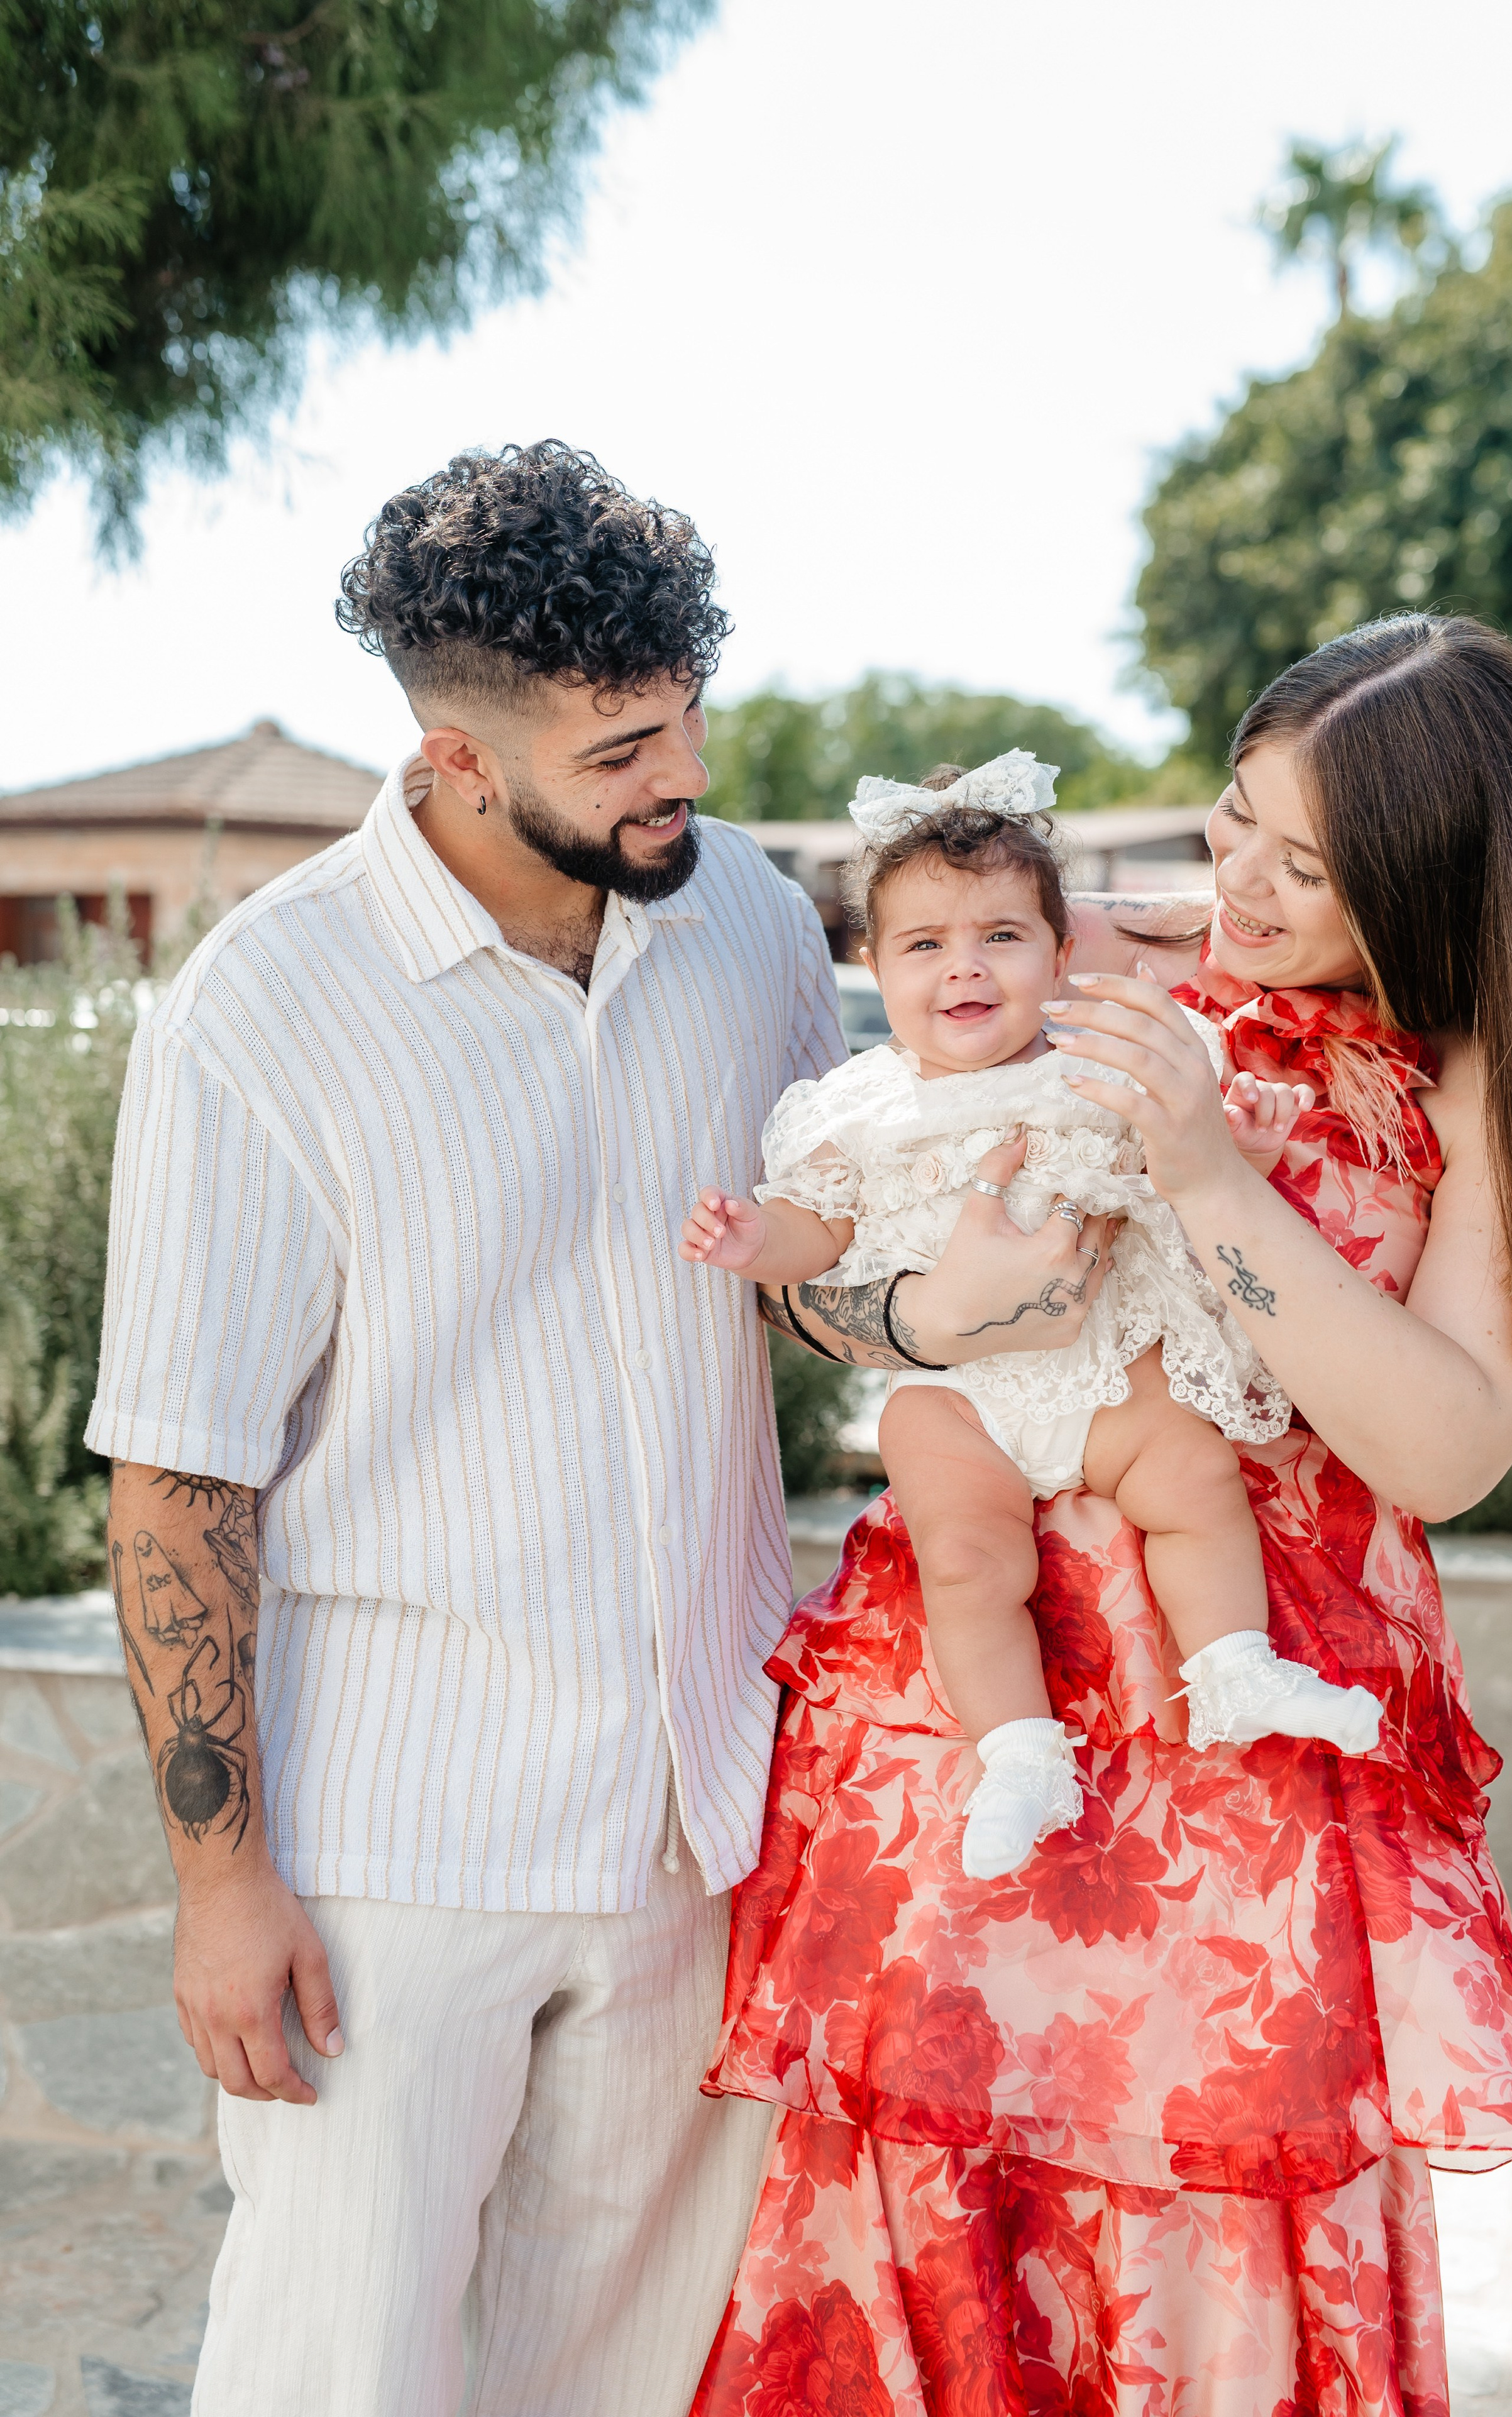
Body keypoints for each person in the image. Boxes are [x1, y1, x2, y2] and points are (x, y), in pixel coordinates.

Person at [692, 614, 1512, 2414]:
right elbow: (850, 1231)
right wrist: (917, 1319)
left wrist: (1203, 1168)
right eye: (1231, 821)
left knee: (1202, 2274)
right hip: (991, 1730)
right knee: (946, 2244)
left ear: (1432, 881)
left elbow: (1441, 1447)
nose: (1241, 886)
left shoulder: (1487, 1069)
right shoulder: (1103, 958)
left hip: (1237, 1771)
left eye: (1307, 863)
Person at [87, 441, 844, 2417]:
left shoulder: (749, 918)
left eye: (686, 722)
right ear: (454, 755)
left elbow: (844, 1256)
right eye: (617, 752)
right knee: (337, 2369)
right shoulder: (265, 1007)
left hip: (702, 1809)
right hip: (387, 1847)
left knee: (614, 2371)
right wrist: (220, 1880)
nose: (676, 778)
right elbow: (180, 1473)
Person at [682, 751, 1379, 1885]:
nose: (965, 967)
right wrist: (758, 1241)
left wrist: (1237, 1142)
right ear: (874, 966)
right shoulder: (856, 1108)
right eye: (925, 945)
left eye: (1002, 936)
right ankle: (1017, 1753)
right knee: (962, 1555)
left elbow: (1180, 1170)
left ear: (1061, 955)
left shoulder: (1098, 1067)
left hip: (1102, 1358)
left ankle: (1234, 1663)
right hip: (957, 1394)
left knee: (1193, 1477)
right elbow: (819, 1223)